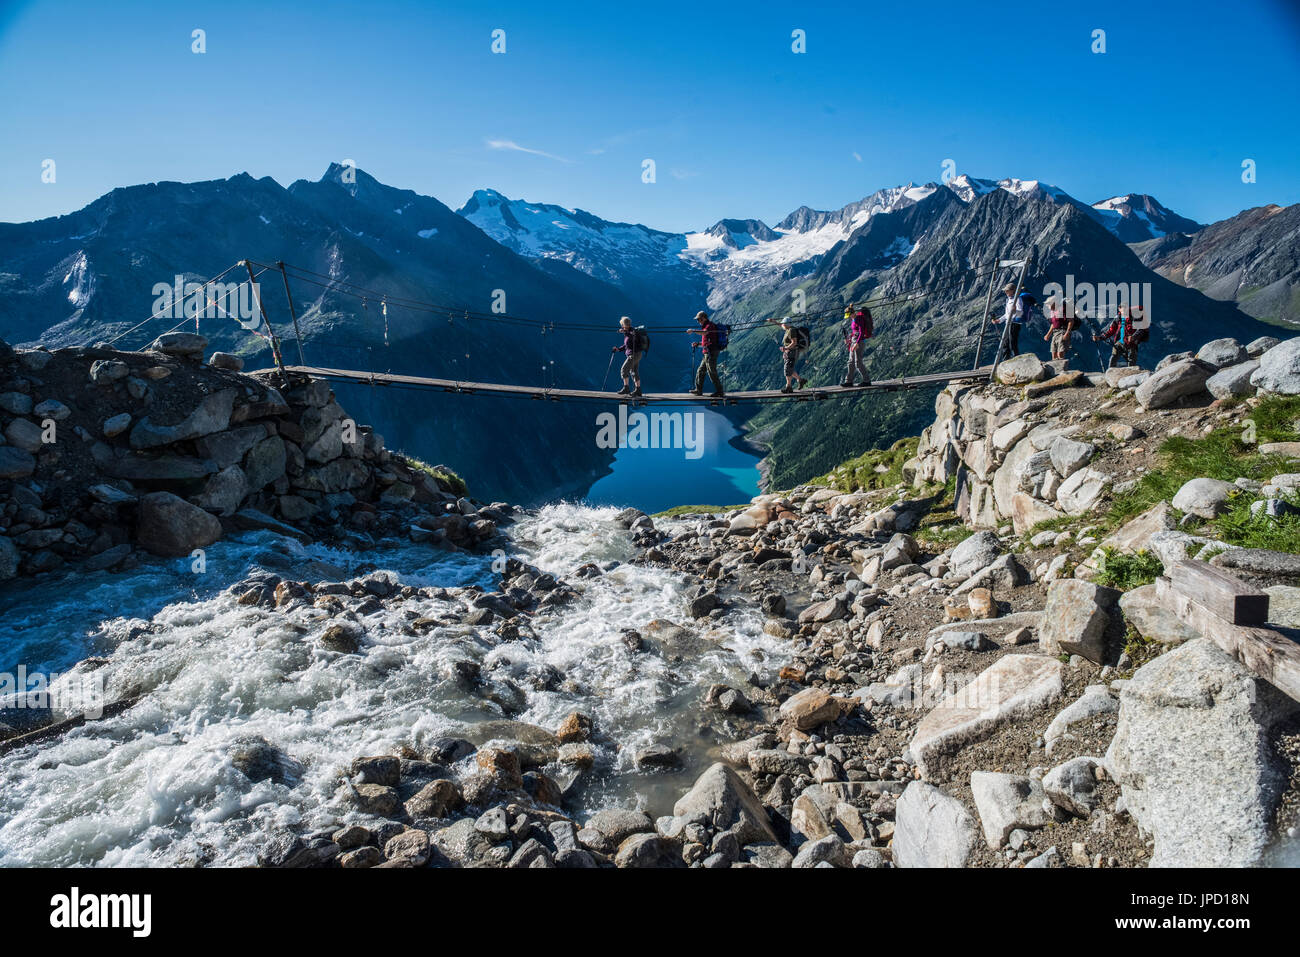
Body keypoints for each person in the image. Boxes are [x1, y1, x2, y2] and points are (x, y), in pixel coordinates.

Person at [991, 282, 1036, 361]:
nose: (1005, 292)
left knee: (1012, 343)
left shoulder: (1018, 299)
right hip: (1008, 323)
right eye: (1005, 290)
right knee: (1006, 343)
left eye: (1007, 290)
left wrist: (1015, 311)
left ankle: (1016, 360)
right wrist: (999, 320)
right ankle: (1006, 361)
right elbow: (1007, 314)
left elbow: (1020, 312)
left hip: (1015, 324)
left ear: (1012, 291)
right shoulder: (1009, 300)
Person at [766, 317, 810, 393]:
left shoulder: (792, 330)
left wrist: (785, 348)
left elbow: (794, 342)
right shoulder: (788, 329)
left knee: (787, 369)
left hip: (792, 352)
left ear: (787, 324)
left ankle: (789, 387)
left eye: (784, 323)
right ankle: (800, 380)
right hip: (788, 352)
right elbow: (780, 325)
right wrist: (773, 321)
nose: (783, 324)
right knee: (790, 369)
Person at [688, 310, 724, 397]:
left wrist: (693, 331)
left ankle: (720, 391)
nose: (698, 321)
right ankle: (698, 390)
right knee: (701, 370)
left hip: (711, 353)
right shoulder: (706, 326)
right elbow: (708, 341)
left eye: (699, 319)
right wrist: (698, 344)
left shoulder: (709, 326)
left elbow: (705, 333)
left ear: (704, 318)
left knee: (711, 371)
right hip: (707, 353)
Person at [1093, 305, 1139, 369]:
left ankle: (1131, 374)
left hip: (1131, 343)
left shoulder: (1134, 318)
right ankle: (1110, 372)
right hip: (1120, 342)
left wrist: (1134, 337)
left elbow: (1140, 330)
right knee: (1113, 358)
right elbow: (1111, 331)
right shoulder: (1118, 318)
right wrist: (1100, 337)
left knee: (1131, 361)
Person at [610, 316, 643, 396]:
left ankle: (626, 388)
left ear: (625, 324)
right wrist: (618, 349)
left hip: (634, 355)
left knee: (624, 370)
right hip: (637, 354)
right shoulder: (628, 332)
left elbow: (632, 337)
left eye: (622, 325)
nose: (622, 326)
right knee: (634, 372)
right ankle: (638, 390)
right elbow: (626, 345)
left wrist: (625, 332)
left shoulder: (632, 331)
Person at [841, 303, 872, 387]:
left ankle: (867, 381)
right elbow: (856, 331)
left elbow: (861, 332)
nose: (849, 318)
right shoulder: (854, 319)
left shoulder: (859, 319)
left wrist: (857, 343)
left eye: (849, 315)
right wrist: (849, 339)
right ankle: (848, 382)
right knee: (851, 362)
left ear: (852, 313)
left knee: (858, 362)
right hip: (854, 341)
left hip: (859, 342)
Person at [1043, 296, 1078, 367]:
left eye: (1049, 304)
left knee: (1060, 353)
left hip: (1063, 331)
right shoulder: (1053, 311)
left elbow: (1071, 321)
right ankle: (1055, 370)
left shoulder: (1063, 308)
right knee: (1053, 352)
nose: (1047, 306)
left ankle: (1061, 369)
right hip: (1055, 333)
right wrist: (1048, 334)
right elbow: (1053, 324)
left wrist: (1067, 333)